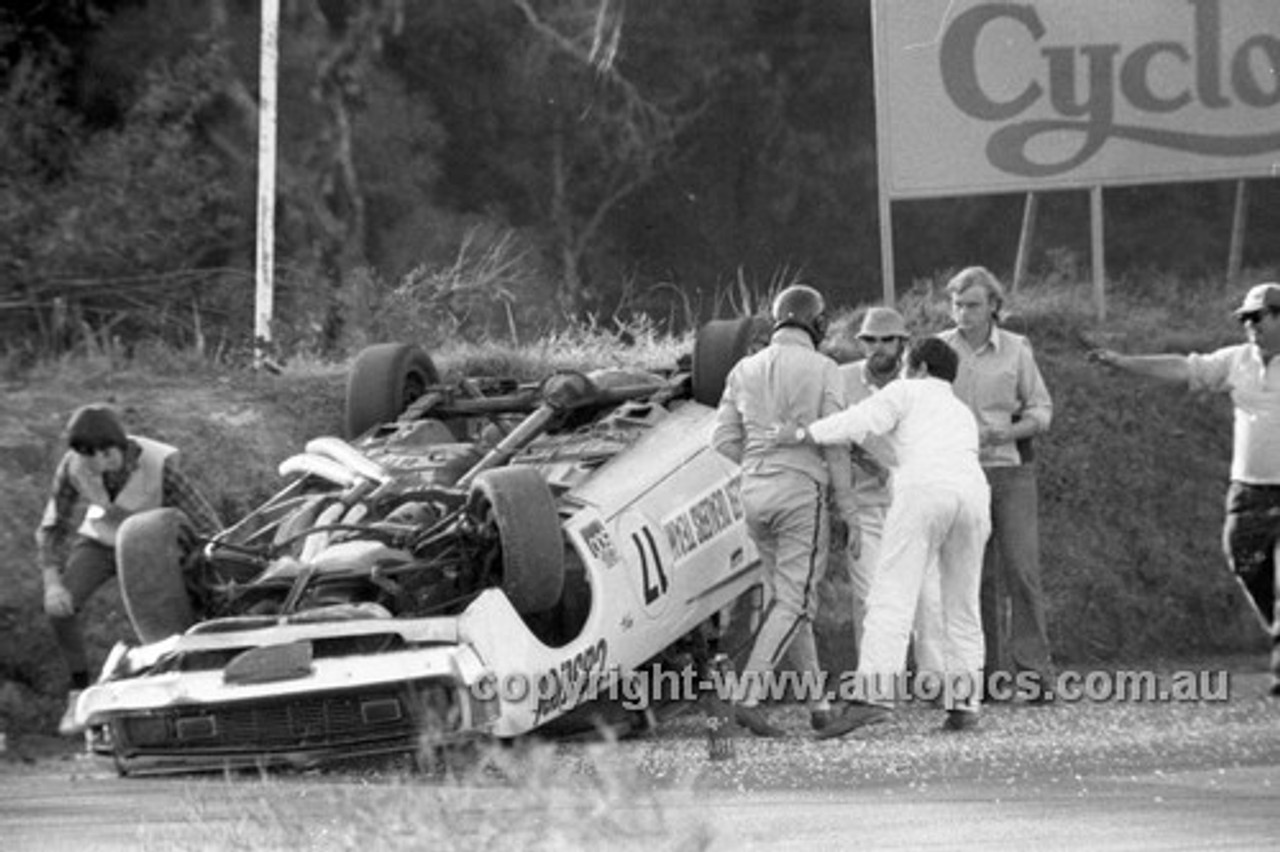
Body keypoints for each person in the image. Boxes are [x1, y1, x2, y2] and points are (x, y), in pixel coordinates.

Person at [771, 337, 990, 735]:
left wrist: (803, 435)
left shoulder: (906, 389)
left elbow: (859, 421)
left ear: (920, 366)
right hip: (974, 494)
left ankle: (872, 697)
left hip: (923, 489)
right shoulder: (960, 411)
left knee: (891, 596)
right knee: (962, 602)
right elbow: (894, 448)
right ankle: (965, 705)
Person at [1090, 282, 1280, 696]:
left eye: (1257, 317)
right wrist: (1124, 362)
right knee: (1244, 562)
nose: (1250, 325)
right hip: (1248, 490)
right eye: (1244, 319)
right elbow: (1184, 368)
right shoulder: (1237, 361)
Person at [711, 284, 856, 737]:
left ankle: (819, 703)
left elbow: (722, 439)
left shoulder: (743, 368)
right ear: (818, 325)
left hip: (754, 490)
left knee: (789, 602)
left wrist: (757, 464)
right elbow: (835, 439)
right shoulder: (826, 369)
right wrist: (848, 507)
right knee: (794, 601)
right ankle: (749, 697)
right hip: (800, 491)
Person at [36, 404, 223, 735]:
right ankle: (77, 692)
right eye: (87, 460)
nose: (96, 469)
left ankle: (181, 695)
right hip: (101, 540)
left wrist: (207, 568)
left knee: (162, 627)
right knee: (60, 608)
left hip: (150, 551)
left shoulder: (158, 465)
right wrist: (52, 583)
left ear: (114, 448)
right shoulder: (74, 465)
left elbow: (208, 525)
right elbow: (54, 526)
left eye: (101, 459)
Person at [938, 267, 1055, 700]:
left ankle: (1034, 673)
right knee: (972, 577)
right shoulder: (939, 349)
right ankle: (983, 676)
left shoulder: (1017, 350)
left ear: (993, 307)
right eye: (957, 304)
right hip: (960, 473)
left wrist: (1007, 432)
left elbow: (1042, 410)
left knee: (1022, 571)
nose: (963, 313)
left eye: (972, 305)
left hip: (1009, 470)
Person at [837, 307, 944, 680]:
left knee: (928, 598)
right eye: (870, 340)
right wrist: (874, 466)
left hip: (916, 505)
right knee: (870, 599)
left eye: (887, 340)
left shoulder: (922, 384)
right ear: (861, 343)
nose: (878, 347)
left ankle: (935, 681)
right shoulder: (841, 380)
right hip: (865, 505)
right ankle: (878, 685)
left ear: (903, 343)